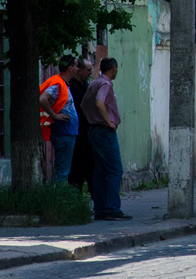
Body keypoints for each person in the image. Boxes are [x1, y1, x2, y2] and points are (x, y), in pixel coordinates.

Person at [82, 58, 132, 221]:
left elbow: (84, 105)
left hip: (94, 130)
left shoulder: (93, 83)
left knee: (100, 171)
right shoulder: (106, 84)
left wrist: (92, 118)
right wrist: (108, 121)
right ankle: (112, 207)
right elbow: (99, 102)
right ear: (114, 69)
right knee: (114, 169)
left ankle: (100, 208)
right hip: (104, 130)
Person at [39, 55, 79, 184]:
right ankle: (58, 199)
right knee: (62, 171)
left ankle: (57, 197)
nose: (78, 68)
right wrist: (54, 116)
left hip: (67, 131)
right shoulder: (58, 84)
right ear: (70, 68)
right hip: (64, 132)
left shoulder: (62, 83)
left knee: (62, 169)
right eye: (76, 65)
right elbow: (42, 99)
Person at [67, 58, 95, 199]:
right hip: (77, 132)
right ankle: (74, 198)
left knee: (89, 166)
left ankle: (94, 197)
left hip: (86, 131)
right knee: (77, 168)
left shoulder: (85, 84)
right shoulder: (71, 86)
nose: (90, 73)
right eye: (88, 70)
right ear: (80, 70)